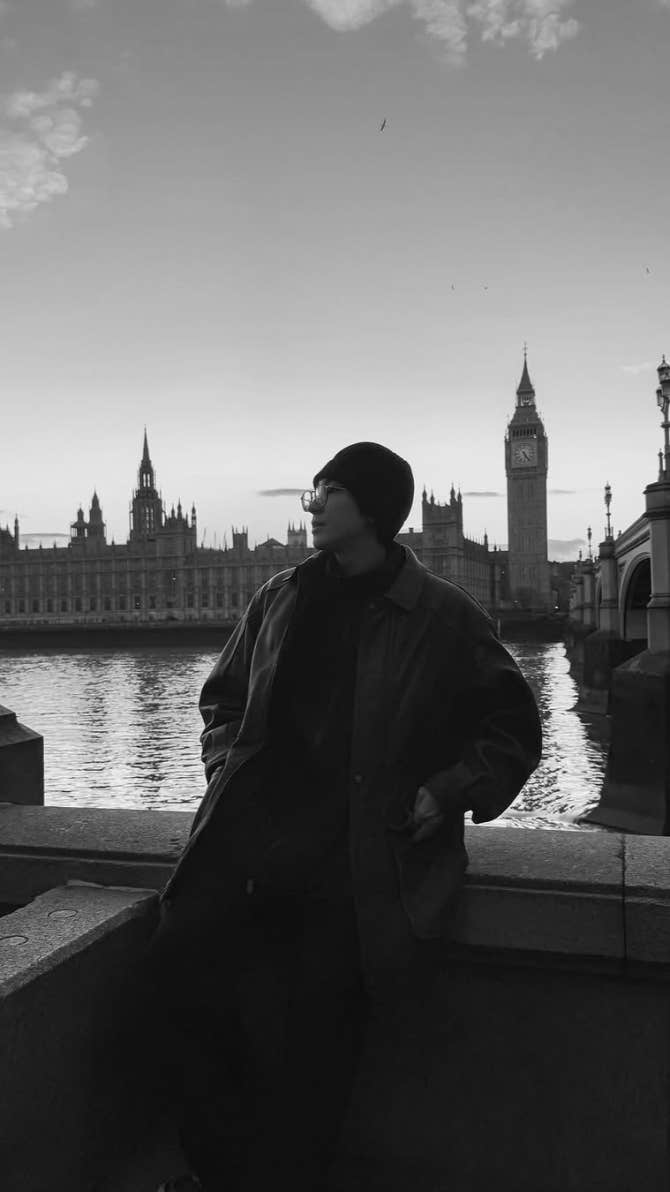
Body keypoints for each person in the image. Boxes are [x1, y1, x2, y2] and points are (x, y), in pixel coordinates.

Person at [150, 441, 542, 1192]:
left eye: (329, 490)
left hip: (361, 862)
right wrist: (228, 773)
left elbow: (513, 730)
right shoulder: (281, 595)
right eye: (314, 490)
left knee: (317, 1041)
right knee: (177, 967)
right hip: (254, 841)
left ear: (373, 509)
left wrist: (448, 789)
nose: (314, 504)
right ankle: (222, 1168)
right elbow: (222, 701)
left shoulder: (443, 614)